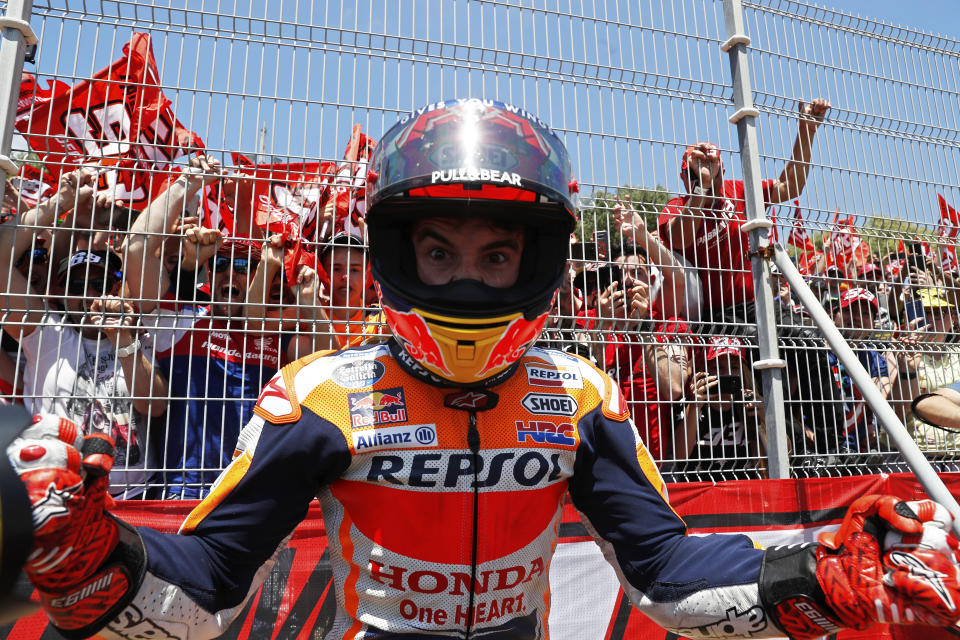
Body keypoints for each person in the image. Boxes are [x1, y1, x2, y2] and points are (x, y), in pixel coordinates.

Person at [8, 100, 960, 640]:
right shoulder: (315, 396)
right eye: (441, 252)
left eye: (496, 255)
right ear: (396, 255)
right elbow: (211, 579)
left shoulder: (581, 397)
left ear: (534, 262)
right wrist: (104, 557)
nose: (467, 276)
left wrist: (817, 572)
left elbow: (667, 571)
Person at [122, 158, 323, 498]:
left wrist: (311, 305)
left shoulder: (276, 334)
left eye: (243, 265)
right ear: (208, 274)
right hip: (184, 492)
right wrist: (189, 183)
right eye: (221, 263)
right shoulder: (183, 318)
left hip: (255, 495)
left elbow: (324, 368)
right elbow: (136, 247)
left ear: (260, 277)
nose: (231, 272)